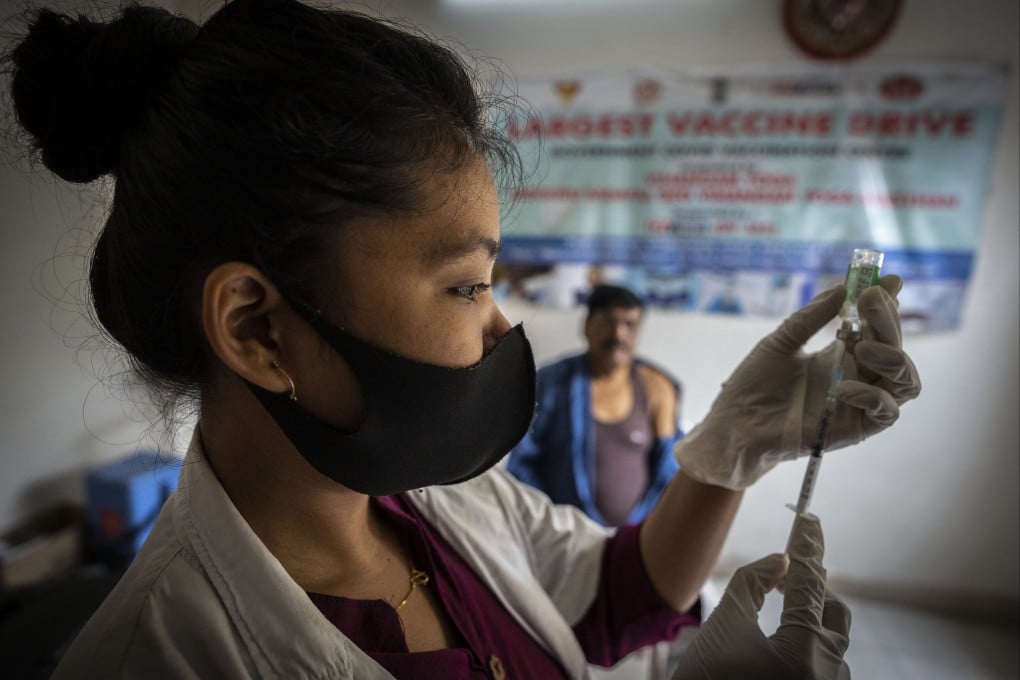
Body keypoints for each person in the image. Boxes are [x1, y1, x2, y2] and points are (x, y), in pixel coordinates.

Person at [4, 0, 920, 677]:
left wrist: (733, 444)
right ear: (256, 328)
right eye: (466, 286)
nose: (501, 327)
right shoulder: (156, 659)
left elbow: (612, 597)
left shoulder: (443, 504)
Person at [507, 283, 682, 527]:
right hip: (563, 537)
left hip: (635, 540)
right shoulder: (552, 384)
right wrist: (550, 522)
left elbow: (669, 474)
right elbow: (522, 463)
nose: (618, 334)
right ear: (587, 326)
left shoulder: (658, 389)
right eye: (608, 322)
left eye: (629, 325)